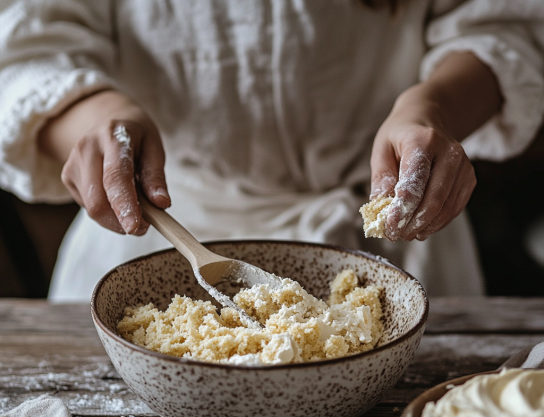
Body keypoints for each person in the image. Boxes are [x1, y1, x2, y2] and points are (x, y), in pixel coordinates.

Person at [0, 0, 543, 300]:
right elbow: (28, 46)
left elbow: (500, 25)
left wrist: (431, 108)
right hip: (157, 234)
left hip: (392, 244)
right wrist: (96, 117)